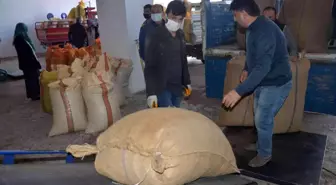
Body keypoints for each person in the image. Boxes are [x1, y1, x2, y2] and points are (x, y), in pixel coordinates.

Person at [222, 0, 292, 167]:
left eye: (235, 14)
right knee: (259, 115)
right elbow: (252, 54)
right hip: (264, 81)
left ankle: (264, 154)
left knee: (263, 119)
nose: (234, 18)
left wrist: (238, 92)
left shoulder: (265, 31)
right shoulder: (252, 29)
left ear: (243, 14)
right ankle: (262, 143)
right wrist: (246, 68)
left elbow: (262, 67)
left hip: (276, 82)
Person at [144, 0, 192, 108]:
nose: (176, 22)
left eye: (180, 19)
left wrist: (187, 82)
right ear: (165, 15)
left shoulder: (180, 35)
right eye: (173, 18)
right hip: (162, 87)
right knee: (167, 118)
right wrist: (151, 93)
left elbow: (183, 60)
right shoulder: (155, 35)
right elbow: (150, 67)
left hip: (178, 86)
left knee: (175, 118)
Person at [13, 23, 41, 101]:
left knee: (32, 78)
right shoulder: (19, 39)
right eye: (25, 28)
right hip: (28, 63)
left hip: (28, 62)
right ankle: (34, 95)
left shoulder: (22, 37)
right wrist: (34, 63)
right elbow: (26, 53)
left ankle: (34, 93)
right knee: (31, 79)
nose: (26, 30)